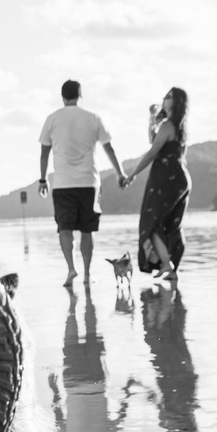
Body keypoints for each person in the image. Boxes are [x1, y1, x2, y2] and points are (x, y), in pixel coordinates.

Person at [38, 80, 127, 288]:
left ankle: (71, 269)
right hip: (89, 183)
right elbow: (109, 149)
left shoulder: (52, 119)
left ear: (62, 97)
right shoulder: (93, 118)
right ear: (80, 95)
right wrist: (120, 173)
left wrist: (43, 179)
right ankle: (87, 274)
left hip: (62, 184)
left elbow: (44, 152)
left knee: (64, 229)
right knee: (88, 230)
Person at [123, 87, 190, 281]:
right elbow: (154, 140)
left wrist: (133, 174)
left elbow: (153, 152)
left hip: (166, 178)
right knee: (172, 225)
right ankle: (172, 271)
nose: (164, 98)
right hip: (181, 179)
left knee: (150, 223)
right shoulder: (178, 127)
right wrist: (152, 119)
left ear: (176, 102)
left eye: (169, 97)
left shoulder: (168, 125)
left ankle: (167, 263)